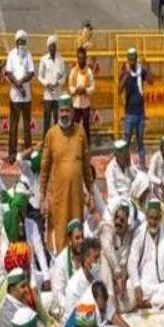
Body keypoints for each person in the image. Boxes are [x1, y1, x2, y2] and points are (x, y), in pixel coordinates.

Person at [42, 95, 94, 253]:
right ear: (58, 112)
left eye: (67, 111)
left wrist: (90, 191)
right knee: (62, 230)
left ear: (72, 112)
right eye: (62, 111)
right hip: (60, 195)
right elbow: (44, 167)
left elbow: (86, 164)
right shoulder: (51, 134)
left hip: (77, 196)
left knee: (77, 232)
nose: (64, 114)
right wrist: (42, 194)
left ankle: (78, 265)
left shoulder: (80, 131)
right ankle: (61, 268)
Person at [118, 48, 153, 167]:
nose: (132, 62)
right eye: (130, 60)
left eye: (134, 60)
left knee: (140, 141)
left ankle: (142, 164)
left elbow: (151, 81)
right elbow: (119, 90)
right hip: (129, 113)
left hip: (140, 113)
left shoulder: (141, 71)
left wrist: (148, 66)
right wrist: (126, 75)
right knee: (126, 141)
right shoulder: (125, 72)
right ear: (128, 60)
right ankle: (125, 163)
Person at [6, 30, 37, 160]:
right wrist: (19, 86)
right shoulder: (12, 55)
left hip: (26, 97)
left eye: (23, 41)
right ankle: (12, 153)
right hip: (15, 96)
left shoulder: (28, 55)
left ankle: (28, 152)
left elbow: (31, 73)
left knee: (26, 126)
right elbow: (9, 73)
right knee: (13, 126)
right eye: (19, 41)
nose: (21, 44)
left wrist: (22, 81)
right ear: (16, 42)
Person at [38, 35, 67, 137]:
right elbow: (40, 76)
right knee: (46, 121)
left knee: (57, 120)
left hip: (58, 96)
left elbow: (64, 76)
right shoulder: (44, 60)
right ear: (48, 47)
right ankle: (45, 143)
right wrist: (47, 84)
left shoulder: (61, 60)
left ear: (56, 46)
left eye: (54, 45)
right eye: (50, 45)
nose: (52, 48)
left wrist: (58, 83)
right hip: (47, 96)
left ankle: (57, 142)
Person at [68, 45, 96, 144]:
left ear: (85, 58)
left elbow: (93, 87)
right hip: (76, 104)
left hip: (85, 104)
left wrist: (85, 90)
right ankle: (75, 144)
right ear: (77, 58)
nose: (81, 60)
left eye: (83, 58)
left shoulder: (89, 72)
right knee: (75, 125)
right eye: (79, 58)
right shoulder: (73, 71)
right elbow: (70, 86)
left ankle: (87, 145)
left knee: (86, 125)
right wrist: (76, 90)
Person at [105, 139, 138, 207]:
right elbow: (112, 192)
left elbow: (137, 178)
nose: (124, 157)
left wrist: (130, 166)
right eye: (122, 154)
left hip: (131, 199)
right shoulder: (110, 169)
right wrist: (124, 204)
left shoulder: (129, 163)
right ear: (117, 155)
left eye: (125, 154)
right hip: (117, 203)